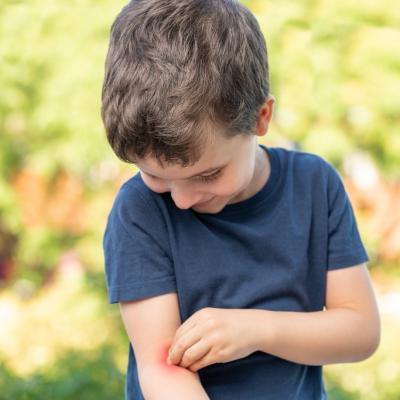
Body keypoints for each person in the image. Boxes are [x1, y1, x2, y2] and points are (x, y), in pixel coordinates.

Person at [100, 1, 381, 399]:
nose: (181, 200)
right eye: (157, 176)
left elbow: (360, 331)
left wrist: (254, 330)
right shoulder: (139, 212)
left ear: (261, 118)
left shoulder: (315, 186)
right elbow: (161, 370)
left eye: (208, 174)